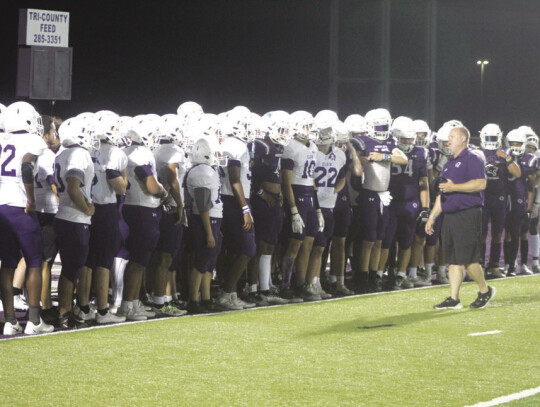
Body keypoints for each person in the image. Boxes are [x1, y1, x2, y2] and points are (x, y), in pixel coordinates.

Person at [426, 126, 495, 309]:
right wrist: (432, 216)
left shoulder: (472, 158)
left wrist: (454, 187)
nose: (449, 140)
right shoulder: (449, 163)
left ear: (463, 138)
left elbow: (481, 183)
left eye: (452, 137)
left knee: (469, 259)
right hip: (450, 215)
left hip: (467, 214)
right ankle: (454, 298)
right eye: (448, 137)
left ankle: (484, 290)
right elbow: (442, 193)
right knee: (454, 259)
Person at [0, 102, 54, 335]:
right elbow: (26, 168)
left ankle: (10, 320)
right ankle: (34, 320)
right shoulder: (32, 141)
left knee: (8, 263)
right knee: (34, 260)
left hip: (2, 205)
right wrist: (31, 200)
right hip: (21, 206)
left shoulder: (2, 139)